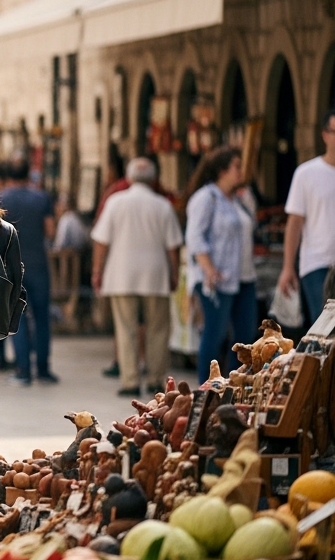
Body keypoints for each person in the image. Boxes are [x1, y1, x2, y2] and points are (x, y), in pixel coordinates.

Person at [89, 158, 183, 397]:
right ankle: (155, 380)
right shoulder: (162, 205)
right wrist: (173, 272)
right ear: (154, 179)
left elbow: (101, 241)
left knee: (126, 328)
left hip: (121, 274)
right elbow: (173, 246)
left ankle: (130, 380)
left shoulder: (115, 202)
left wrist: (97, 270)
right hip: (155, 274)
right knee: (158, 329)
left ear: (129, 179)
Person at [184, 145, 257, 382]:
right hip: (217, 277)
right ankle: (207, 389)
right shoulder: (206, 198)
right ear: (222, 170)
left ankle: (236, 385)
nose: (241, 171)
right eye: (236, 166)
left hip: (244, 275)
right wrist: (208, 268)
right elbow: (195, 236)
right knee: (215, 335)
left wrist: (247, 196)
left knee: (245, 337)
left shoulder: (239, 199)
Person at [0, 159, 56, 385]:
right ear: (29, 172)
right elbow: (50, 231)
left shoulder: (1, 198)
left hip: (10, 267)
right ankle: (43, 369)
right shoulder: (41, 198)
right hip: (38, 264)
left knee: (16, 317)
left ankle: (23, 370)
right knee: (42, 318)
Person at [279, 108, 335, 323]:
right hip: (317, 265)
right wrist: (287, 266)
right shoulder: (306, 174)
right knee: (323, 328)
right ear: (325, 135)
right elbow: (294, 223)